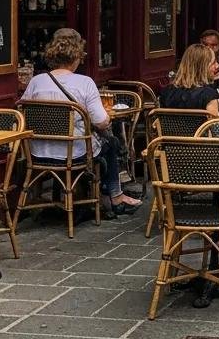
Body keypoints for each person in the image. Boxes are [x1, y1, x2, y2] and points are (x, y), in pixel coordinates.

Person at [21, 28, 141, 215]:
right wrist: (106, 117)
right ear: (76, 57)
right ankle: (115, 197)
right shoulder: (84, 83)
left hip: (38, 151)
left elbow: (22, 114)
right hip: (73, 152)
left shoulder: (36, 81)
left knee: (104, 143)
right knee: (112, 142)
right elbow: (101, 122)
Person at [159, 44, 219, 113]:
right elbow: (213, 123)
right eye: (213, 63)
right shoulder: (209, 95)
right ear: (202, 68)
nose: (217, 66)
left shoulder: (167, 92)